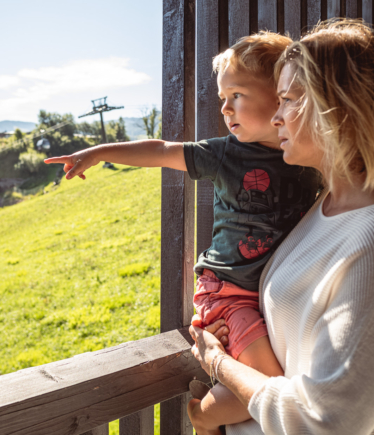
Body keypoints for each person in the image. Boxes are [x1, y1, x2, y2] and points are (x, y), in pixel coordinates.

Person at [45, 32, 322, 426]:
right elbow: (161, 151)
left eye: (237, 96)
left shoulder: (307, 155)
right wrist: (98, 152)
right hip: (229, 293)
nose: (225, 109)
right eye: (223, 98)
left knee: (270, 385)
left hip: (269, 292)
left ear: (280, 94)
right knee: (272, 386)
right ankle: (201, 417)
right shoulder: (225, 153)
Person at [188, 19, 374, 435]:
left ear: (336, 107)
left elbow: (326, 421)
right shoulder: (323, 206)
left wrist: (218, 364)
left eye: (287, 100)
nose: (276, 116)